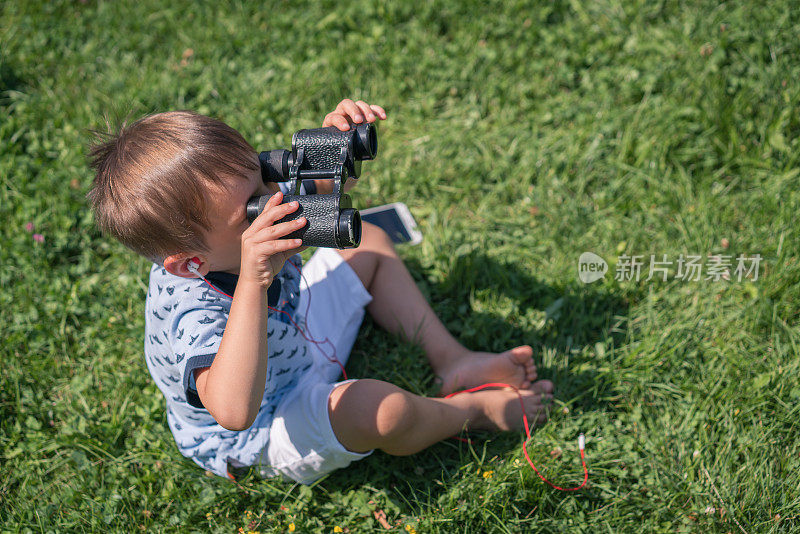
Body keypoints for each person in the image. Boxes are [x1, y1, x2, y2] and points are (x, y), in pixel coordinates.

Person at [87, 99, 554, 484]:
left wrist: (334, 150)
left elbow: (320, 191)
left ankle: (451, 359)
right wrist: (253, 281)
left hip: (296, 344)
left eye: (267, 175)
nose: (277, 200)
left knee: (367, 238)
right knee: (381, 410)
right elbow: (233, 410)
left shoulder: (233, 219)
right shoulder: (192, 315)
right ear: (192, 263)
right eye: (255, 209)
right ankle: (472, 412)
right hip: (267, 421)